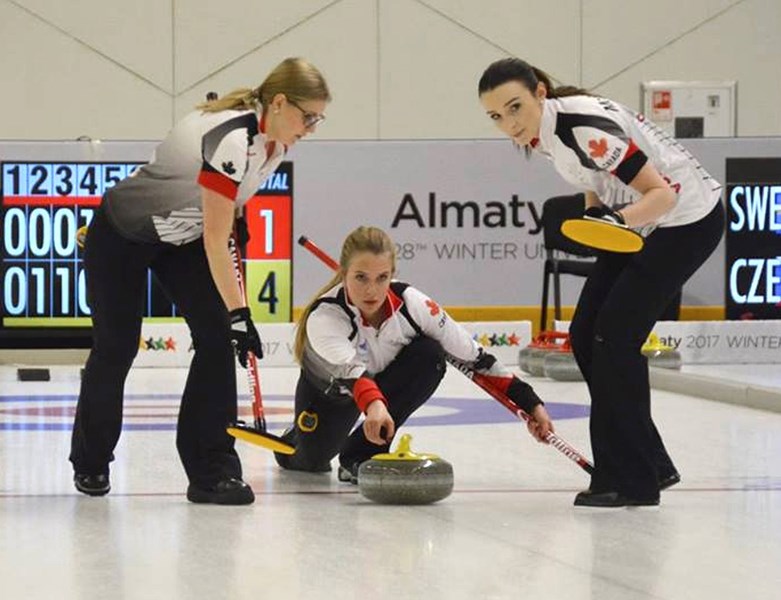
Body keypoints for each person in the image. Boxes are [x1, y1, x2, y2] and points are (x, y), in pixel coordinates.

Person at [70, 57, 331, 505]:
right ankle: (90, 460)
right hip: (122, 234)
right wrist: (240, 314)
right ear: (281, 103)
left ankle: (212, 470)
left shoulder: (276, 146)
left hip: (182, 237)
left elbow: (223, 218)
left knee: (214, 339)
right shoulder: (231, 136)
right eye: (308, 117)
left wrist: (239, 229)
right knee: (117, 347)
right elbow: (215, 240)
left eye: (318, 120)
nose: (311, 128)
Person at [478, 57, 724, 507]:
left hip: (684, 222)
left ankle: (632, 481)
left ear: (539, 93)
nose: (509, 124)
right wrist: (597, 214)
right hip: (637, 223)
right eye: (496, 116)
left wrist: (612, 221)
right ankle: (648, 461)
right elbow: (593, 175)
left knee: (614, 338)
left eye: (515, 107)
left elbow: (663, 194)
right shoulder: (546, 133)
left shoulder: (583, 128)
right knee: (585, 336)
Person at [274, 226, 553, 482]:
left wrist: (531, 403)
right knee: (311, 462)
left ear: (392, 273)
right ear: (344, 273)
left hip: (378, 389)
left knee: (430, 356)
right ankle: (295, 440)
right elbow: (351, 372)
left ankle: (360, 455)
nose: (371, 290)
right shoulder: (325, 316)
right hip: (333, 392)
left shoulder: (414, 306)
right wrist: (375, 406)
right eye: (360, 278)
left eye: (381, 278)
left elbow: (475, 357)